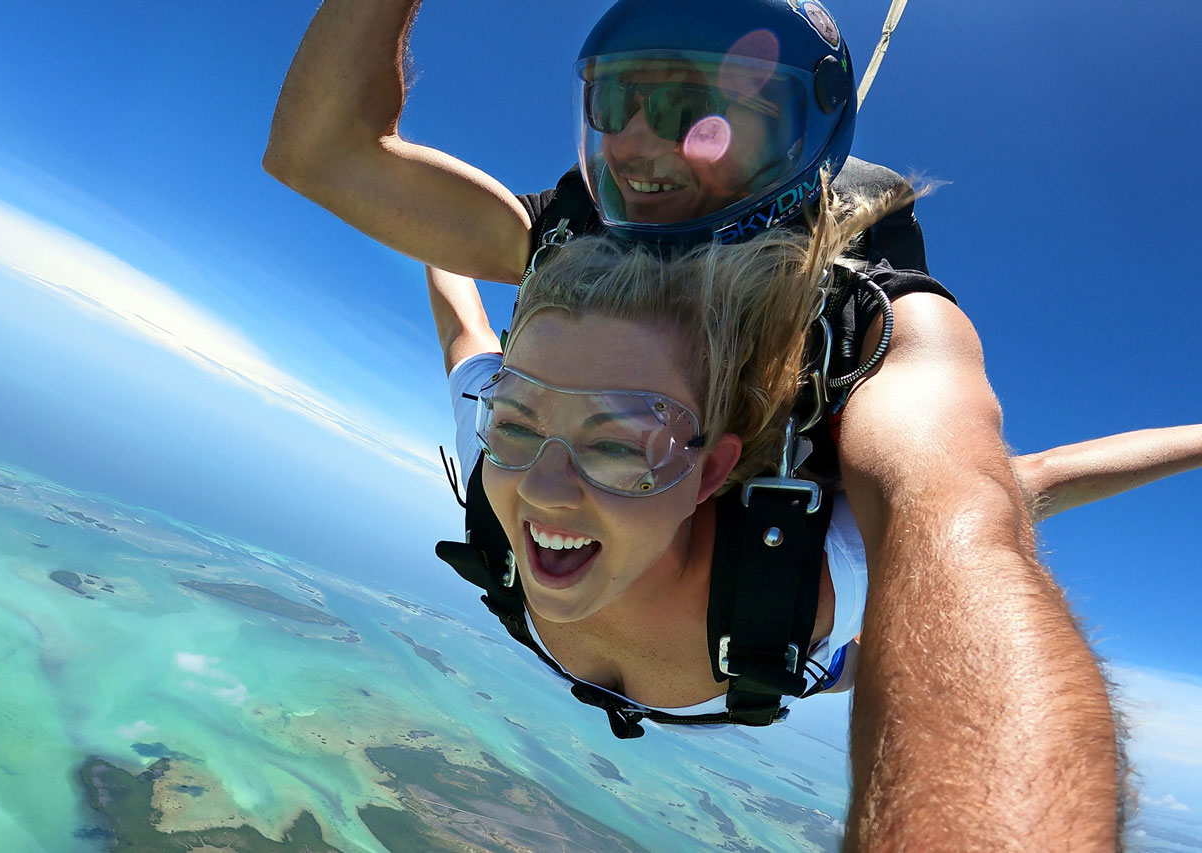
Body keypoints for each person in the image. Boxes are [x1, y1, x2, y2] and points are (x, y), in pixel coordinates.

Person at [263, 1, 1141, 847]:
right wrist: (443, 243)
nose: (639, 143)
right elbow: (361, 198)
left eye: (695, 108)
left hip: (786, 630)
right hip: (757, 640)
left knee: (988, 511)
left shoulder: (872, 330)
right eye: (617, 101)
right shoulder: (535, 363)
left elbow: (963, 520)